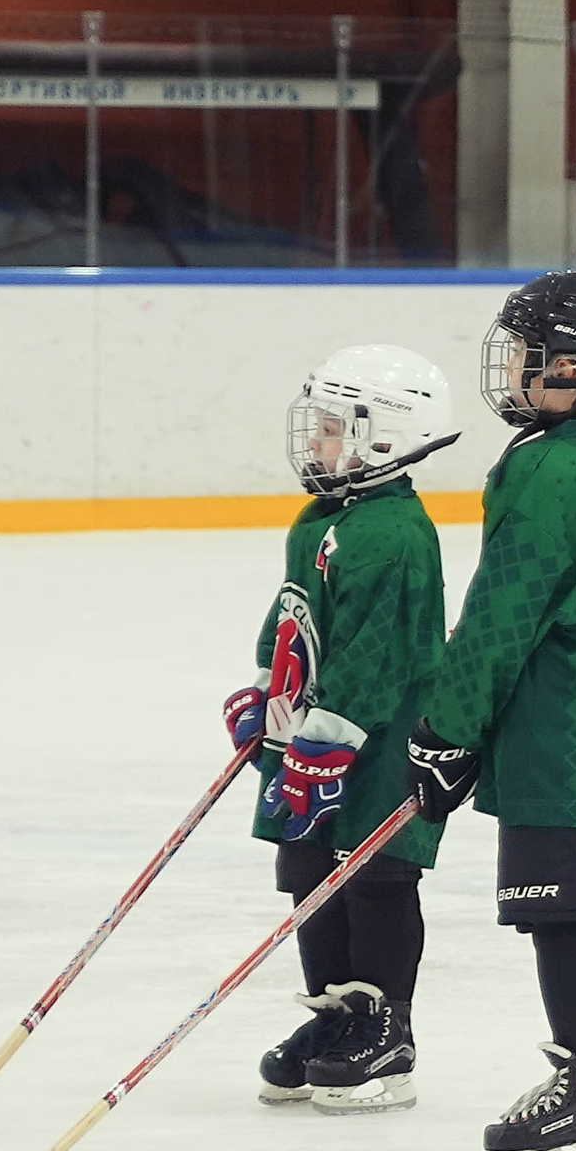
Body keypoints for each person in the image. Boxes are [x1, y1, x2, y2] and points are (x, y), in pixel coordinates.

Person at [405, 270, 576, 1151]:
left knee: (562, 916)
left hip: (564, 733)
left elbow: (499, 618)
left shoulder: (546, 468)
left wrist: (445, 731)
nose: (512, 366)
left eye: (529, 351)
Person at [228, 344, 460, 1106]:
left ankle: (384, 1027)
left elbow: (376, 658)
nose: (316, 440)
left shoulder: (394, 533)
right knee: (306, 873)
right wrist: (270, 695)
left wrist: (325, 744)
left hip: (381, 742)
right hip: (313, 738)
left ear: (386, 436)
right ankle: (334, 1013)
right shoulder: (320, 519)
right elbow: (293, 615)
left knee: (375, 878)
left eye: (333, 427)